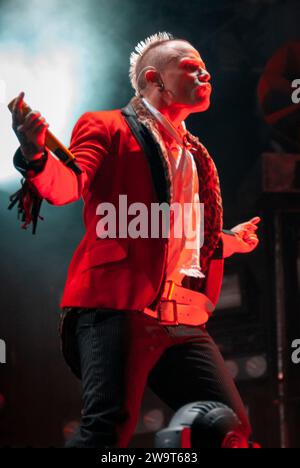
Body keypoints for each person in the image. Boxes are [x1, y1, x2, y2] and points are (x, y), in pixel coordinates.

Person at [11, 32, 260, 448]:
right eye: (189, 66)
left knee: (228, 430)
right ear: (153, 78)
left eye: (203, 65)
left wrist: (229, 240)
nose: (205, 72)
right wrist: (35, 154)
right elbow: (68, 185)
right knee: (105, 431)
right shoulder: (105, 126)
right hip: (117, 307)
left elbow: (180, 232)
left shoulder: (193, 153)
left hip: (181, 319)